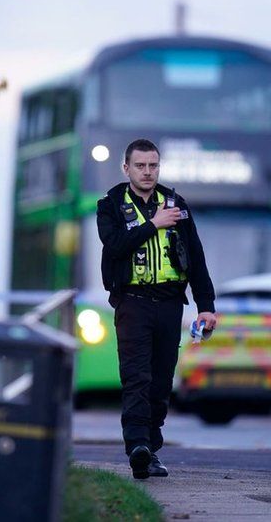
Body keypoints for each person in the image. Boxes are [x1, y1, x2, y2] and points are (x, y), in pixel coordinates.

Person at [96, 138, 217, 479]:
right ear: (126, 168)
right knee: (136, 378)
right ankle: (137, 446)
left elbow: (195, 257)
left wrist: (206, 306)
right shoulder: (110, 205)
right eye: (140, 166)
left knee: (161, 382)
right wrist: (153, 224)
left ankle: (150, 449)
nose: (147, 172)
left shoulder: (177, 205)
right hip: (132, 303)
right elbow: (115, 244)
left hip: (169, 305)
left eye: (153, 166)